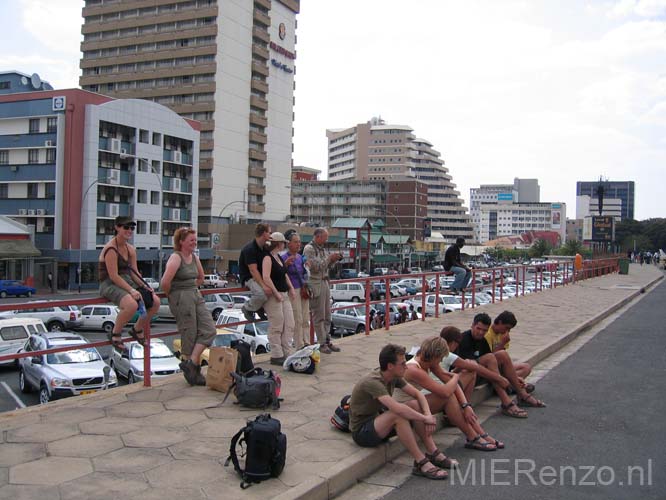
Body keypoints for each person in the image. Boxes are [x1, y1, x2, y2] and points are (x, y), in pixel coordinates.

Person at [349, 344, 449, 480]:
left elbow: (417, 395)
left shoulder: (393, 376)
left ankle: (433, 452)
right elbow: (396, 408)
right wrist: (425, 419)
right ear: (390, 366)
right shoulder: (373, 382)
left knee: (414, 404)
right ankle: (421, 462)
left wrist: (427, 414)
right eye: (402, 364)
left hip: (378, 424)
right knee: (398, 415)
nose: (406, 366)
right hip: (362, 432)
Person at [399, 337, 503, 451]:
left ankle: (480, 434)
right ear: (435, 356)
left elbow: (450, 383)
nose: (441, 361)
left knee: (453, 396)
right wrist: (456, 376)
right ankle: (474, 437)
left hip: (416, 402)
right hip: (404, 406)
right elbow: (445, 391)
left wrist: (466, 405)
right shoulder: (414, 369)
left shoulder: (429, 362)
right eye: (441, 358)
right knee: (448, 397)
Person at [455, 313, 545, 418]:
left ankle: (522, 394)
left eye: (484, 330)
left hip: (482, 374)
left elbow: (491, 364)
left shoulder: (482, 340)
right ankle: (507, 401)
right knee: (490, 358)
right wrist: (499, 378)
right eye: (478, 328)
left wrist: (511, 378)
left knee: (503, 355)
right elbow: (470, 366)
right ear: (472, 325)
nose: (480, 332)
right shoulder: (464, 339)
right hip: (466, 377)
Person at [161, 227, 216, 386]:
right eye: (191, 239)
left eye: (195, 239)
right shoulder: (176, 257)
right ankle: (194, 371)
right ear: (181, 242)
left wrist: (193, 288)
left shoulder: (194, 257)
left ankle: (190, 363)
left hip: (194, 293)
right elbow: (165, 282)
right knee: (189, 332)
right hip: (181, 296)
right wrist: (174, 296)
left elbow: (200, 277)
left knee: (209, 329)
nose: (194, 242)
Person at [98, 216, 160, 350]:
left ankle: (137, 329)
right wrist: (132, 290)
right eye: (126, 227)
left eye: (132, 228)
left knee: (155, 301)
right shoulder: (111, 249)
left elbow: (134, 272)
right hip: (109, 283)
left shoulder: (130, 249)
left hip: (126, 280)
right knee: (131, 305)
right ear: (117, 228)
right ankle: (115, 333)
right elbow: (113, 276)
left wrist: (145, 286)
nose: (129, 230)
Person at [439, 326, 511, 402]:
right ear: (454, 343)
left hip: (442, 384)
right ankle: (466, 405)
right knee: (471, 371)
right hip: (444, 389)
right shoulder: (448, 355)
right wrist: (499, 379)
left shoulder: (437, 352)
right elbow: (474, 367)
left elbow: (445, 372)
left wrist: (459, 368)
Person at [303, 228, 343, 354]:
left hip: (324, 281)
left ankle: (326, 340)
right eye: (325, 237)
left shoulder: (321, 249)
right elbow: (316, 267)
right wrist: (329, 258)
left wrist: (333, 260)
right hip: (316, 283)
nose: (326, 240)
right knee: (319, 314)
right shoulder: (309, 249)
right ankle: (321, 343)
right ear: (318, 236)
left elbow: (325, 266)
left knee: (327, 315)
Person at [484, 311, 537, 397]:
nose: (507, 331)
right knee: (502, 354)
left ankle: (511, 385)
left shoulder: (503, 334)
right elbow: (489, 357)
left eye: (509, 329)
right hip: (491, 369)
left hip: (501, 367)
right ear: (500, 322)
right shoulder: (488, 334)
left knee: (526, 367)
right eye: (506, 328)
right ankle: (513, 386)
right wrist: (502, 343)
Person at [262, 232, 296, 365]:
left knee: (289, 323)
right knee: (277, 324)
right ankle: (276, 354)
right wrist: (276, 293)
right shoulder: (268, 258)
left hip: (283, 294)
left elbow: (284, 274)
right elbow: (266, 277)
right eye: (283, 242)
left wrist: (291, 288)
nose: (284, 245)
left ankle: (286, 351)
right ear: (278, 243)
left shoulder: (278, 257)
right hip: (275, 296)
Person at [280, 230, 310, 350]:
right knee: (297, 318)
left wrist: (308, 267)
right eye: (296, 242)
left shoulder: (300, 257)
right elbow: (280, 274)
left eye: (299, 242)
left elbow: (305, 274)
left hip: (302, 289)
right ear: (289, 244)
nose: (299, 244)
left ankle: (306, 341)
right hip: (293, 290)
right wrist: (285, 265)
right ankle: (299, 344)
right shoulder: (283, 258)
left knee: (305, 317)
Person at [239, 223, 272, 322]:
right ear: (264, 233)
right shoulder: (249, 249)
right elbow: (253, 270)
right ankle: (247, 308)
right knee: (261, 294)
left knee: (270, 291)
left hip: (258, 276)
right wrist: (264, 285)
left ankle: (258, 308)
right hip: (248, 277)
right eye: (269, 232)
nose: (270, 235)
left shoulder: (264, 248)